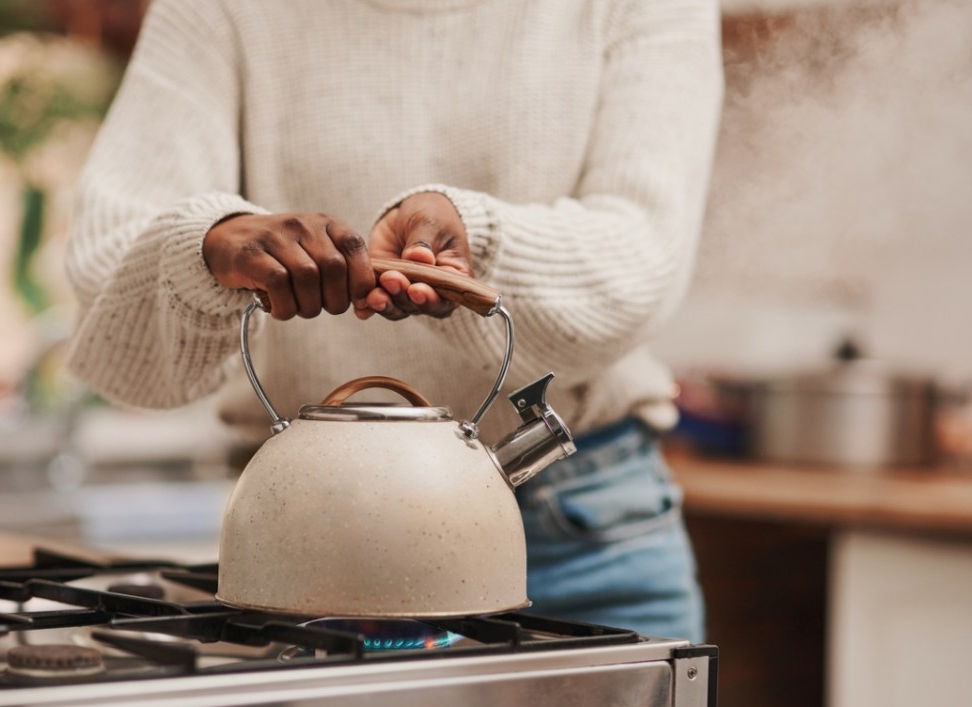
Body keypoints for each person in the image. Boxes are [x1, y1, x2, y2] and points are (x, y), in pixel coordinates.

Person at [65, 0, 724, 642]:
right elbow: (108, 277)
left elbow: (643, 258)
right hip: (311, 535)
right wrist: (208, 242)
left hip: (584, 540)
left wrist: (478, 243)